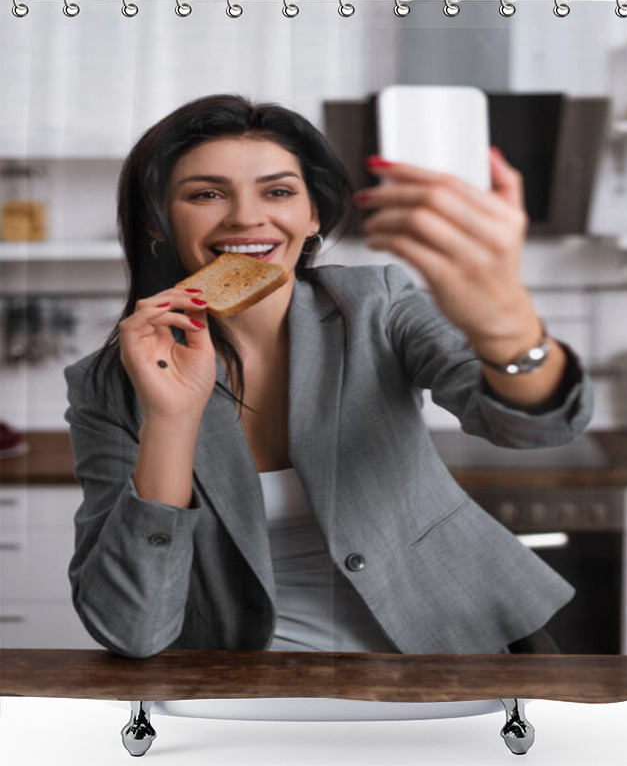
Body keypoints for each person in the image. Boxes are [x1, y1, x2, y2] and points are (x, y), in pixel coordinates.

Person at [64, 94, 593, 659]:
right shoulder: (111, 383)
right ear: (158, 220)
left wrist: (508, 326)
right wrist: (171, 420)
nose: (246, 216)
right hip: (252, 692)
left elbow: (536, 429)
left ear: (313, 214)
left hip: (451, 655)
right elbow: (131, 631)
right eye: (207, 194)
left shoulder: (375, 304)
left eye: (279, 191)